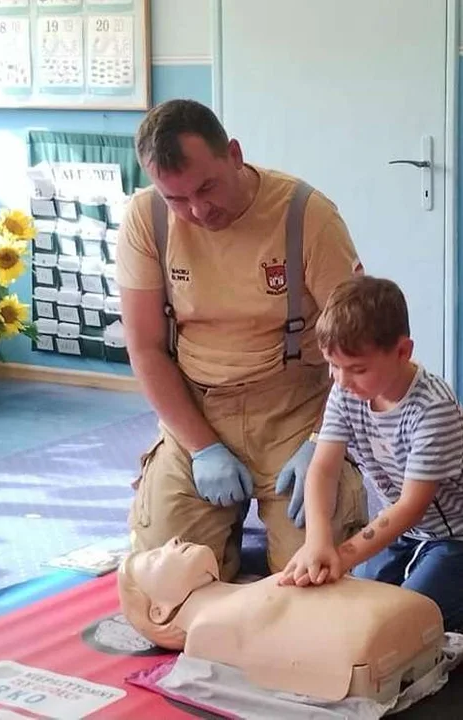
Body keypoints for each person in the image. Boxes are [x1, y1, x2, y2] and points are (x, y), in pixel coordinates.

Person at [116, 98, 368, 583]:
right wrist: (201, 446)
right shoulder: (146, 219)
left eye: (206, 187)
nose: (197, 209)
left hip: (296, 412)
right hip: (197, 408)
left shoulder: (306, 214)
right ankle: (219, 531)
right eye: (176, 198)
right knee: (159, 592)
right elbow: (145, 347)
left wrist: (324, 439)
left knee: (313, 585)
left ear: (234, 154)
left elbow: (361, 344)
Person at [278, 275, 463, 632]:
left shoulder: (433, 408)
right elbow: (323, 468)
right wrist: (318, 541)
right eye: (333, 365)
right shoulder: (347, 391)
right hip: (410, 529)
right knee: (364, 594)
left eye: (357, 369)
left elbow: (411, 506)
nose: (341, 380)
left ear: (403, 352)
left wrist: (340, 556)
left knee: (414, 618)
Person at [116, 536, 445, 703]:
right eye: (156, 556)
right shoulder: (208, 631)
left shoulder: (238, 597)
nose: (172, 541)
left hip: (387, 625)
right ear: (158, 611)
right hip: (378, 637)